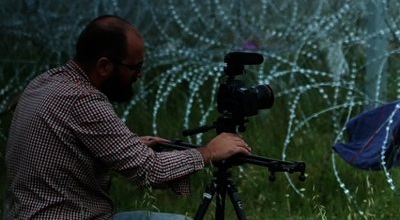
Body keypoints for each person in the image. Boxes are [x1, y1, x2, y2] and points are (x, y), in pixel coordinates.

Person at [4, 15, 251, 220]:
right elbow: (151, 170)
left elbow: (64, 150)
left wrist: (127, 147)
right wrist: (208, 153)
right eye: (135, 67)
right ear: (104, 66)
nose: (140, 74)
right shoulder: (84, 100)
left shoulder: (45, 82)